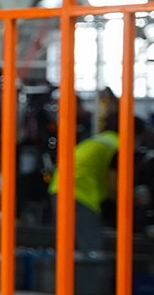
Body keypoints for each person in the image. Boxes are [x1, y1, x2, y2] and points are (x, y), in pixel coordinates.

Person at [50, 90, 121, 255]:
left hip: (59, 187)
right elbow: (114, 184)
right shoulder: (119, 146)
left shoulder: (101, 139)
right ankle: (87, 272)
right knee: (90, 249)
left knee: (69, 245)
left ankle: (68, 271)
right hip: (81, 193)